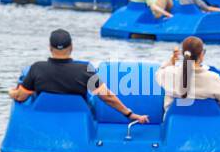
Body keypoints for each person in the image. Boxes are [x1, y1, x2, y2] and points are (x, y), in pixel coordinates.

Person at [9, 29, 150, 124]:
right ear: (71, 47)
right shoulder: (85, 70)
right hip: (78, 121)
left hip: (44, 120)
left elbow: (21, 96)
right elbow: (107, 97)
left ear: (50, 48)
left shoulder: (36, 69)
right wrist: (130, 114)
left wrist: (12, 92)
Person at [155, 36, 220, 113]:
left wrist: (171, 62)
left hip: (173, 125)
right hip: (206, 124)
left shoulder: (169, 73)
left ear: (183, 54)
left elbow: (158, 73)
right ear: (201, 55)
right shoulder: (213, 78)